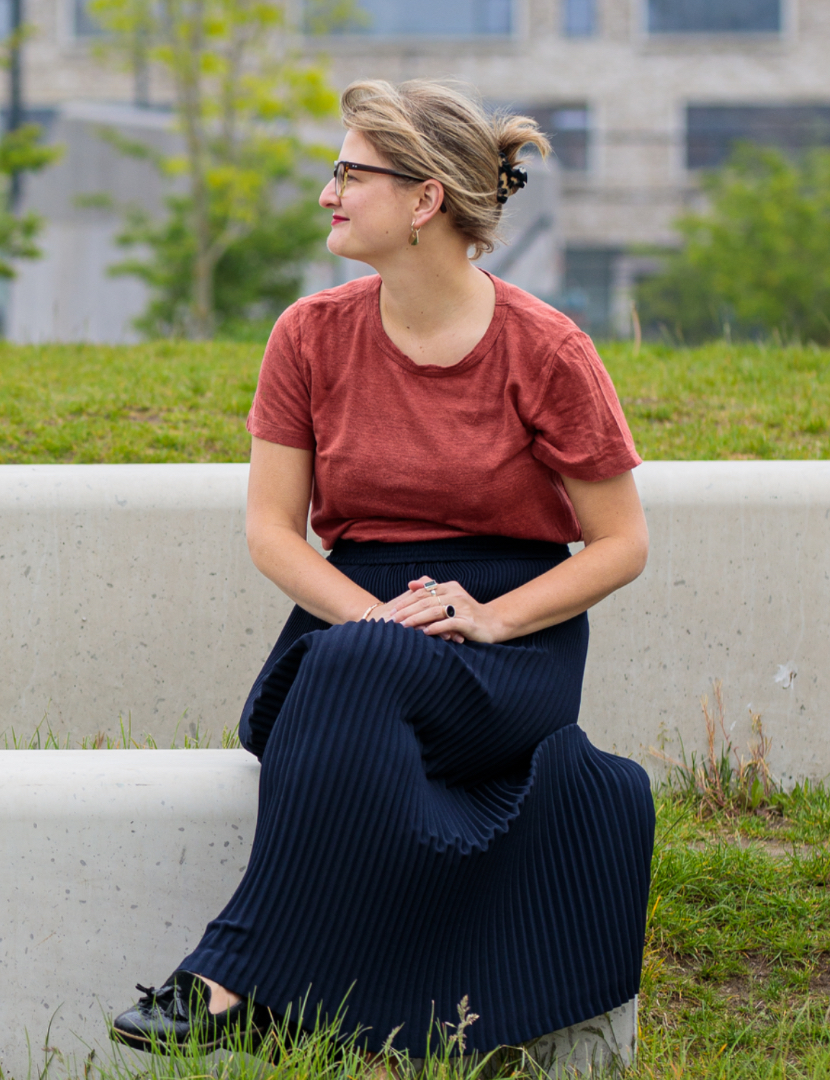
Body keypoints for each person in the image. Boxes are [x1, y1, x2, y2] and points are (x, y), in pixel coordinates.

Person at [111, 79, 654, 1063]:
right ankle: (292, 995)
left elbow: (622, 541)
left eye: (348, 173)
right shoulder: (308, 337)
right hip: (351, 619)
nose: (328, 192)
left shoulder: (549, 350)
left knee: (351, 667)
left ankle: (233, 979)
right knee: (346, 668)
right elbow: (274, 532)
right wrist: (373, 620)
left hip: (507, 643)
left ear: (424, 200)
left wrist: (489, 620)